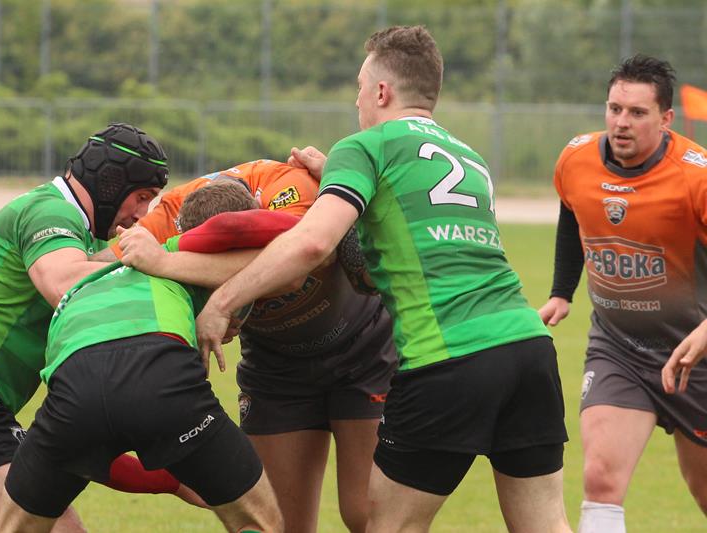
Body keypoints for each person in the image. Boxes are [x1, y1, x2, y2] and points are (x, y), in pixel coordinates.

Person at [196, 25, 571, 532]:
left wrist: (223, 300)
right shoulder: (470, 158)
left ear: (381, 91)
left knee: (389, 525)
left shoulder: (365, 146)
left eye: (359, 88)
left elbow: (312, 243)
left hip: (449, 356)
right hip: (528, 348)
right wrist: (339, 176)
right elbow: (411, 247)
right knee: (546, 524)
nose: (356, 101)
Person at [92, 158, 397, 532]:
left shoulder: (291, 187)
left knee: (365, 514)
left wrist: (177, 270)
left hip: (361, 352)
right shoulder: (168, 216)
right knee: (275, 522)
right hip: (275, 368)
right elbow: (97, 269)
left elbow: (298, 266)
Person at [0, 123, 170, 532]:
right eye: (142, 197)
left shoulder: (75, 231)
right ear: (110, 181)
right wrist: (158, 262)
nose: (142, 214)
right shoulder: (51, 212)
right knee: (53, 526)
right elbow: (63, 284)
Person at [0, 180, 282, 533]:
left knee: (15, 527)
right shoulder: (177, 256)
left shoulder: (92, 279)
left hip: (74, 390)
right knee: (259, 520)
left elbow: (98, 432)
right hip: (160, 373)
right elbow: (279, 254)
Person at [539, 55, 707, 533]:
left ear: (666, 118)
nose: (621, 122)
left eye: (637, 112)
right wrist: (561, 291)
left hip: (696, 357)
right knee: (601, 478)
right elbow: (572, 212)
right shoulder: (576, 159)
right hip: (619, 350)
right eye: (614, 109)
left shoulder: (696, 177)